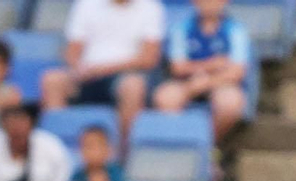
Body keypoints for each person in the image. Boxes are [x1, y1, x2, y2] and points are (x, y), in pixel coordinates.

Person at [41, 0, 164, 146]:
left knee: (133, 86)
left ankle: (123, 152)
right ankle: (54, 147)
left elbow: (148, 58)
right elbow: (72, 50)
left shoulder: (151, 7)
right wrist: (79, 68)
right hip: (86, 74)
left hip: (124, 74)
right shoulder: (86, 4)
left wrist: (103, 69)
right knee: (52, 80)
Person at [154, 0, 250, 145]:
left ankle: (207, 147)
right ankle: (181, 145)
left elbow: (237, 72)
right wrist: (212, 65)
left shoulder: (236, 30)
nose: (209, 3)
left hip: (220, 83)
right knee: (165, 97)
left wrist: (206, 82)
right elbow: (178, 68)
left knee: (230, 102)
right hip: (188, 82)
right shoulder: (181, 28)